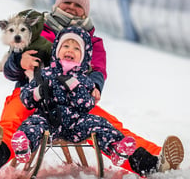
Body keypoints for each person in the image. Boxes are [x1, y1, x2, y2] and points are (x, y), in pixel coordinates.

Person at [0, 0, 184, 178]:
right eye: (67, 2)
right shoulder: (38, 28)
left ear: (85, 11)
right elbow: (8, 70)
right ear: (57, 4)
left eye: (78, 5)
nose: (71, 7)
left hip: (73, 102)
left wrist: (94, 87)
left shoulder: (93, 43)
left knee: (110, 125)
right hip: (30, 94)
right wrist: (18, 60)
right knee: (11, 121)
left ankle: (153, 162)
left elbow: (98, 71)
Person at [12, 26, 136, 167]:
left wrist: (75, 87)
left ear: (83, 57)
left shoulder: (84, 80)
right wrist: (37, 93)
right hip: (47, 118)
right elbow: (26, 99)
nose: (70, 50)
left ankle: (115, 148)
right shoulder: (44, 73)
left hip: (76, 124)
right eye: (65, 46)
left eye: (77, 49)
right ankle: (24, 146)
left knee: (99, 123)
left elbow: (87, 104)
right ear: (57, 51)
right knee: (33, 123)